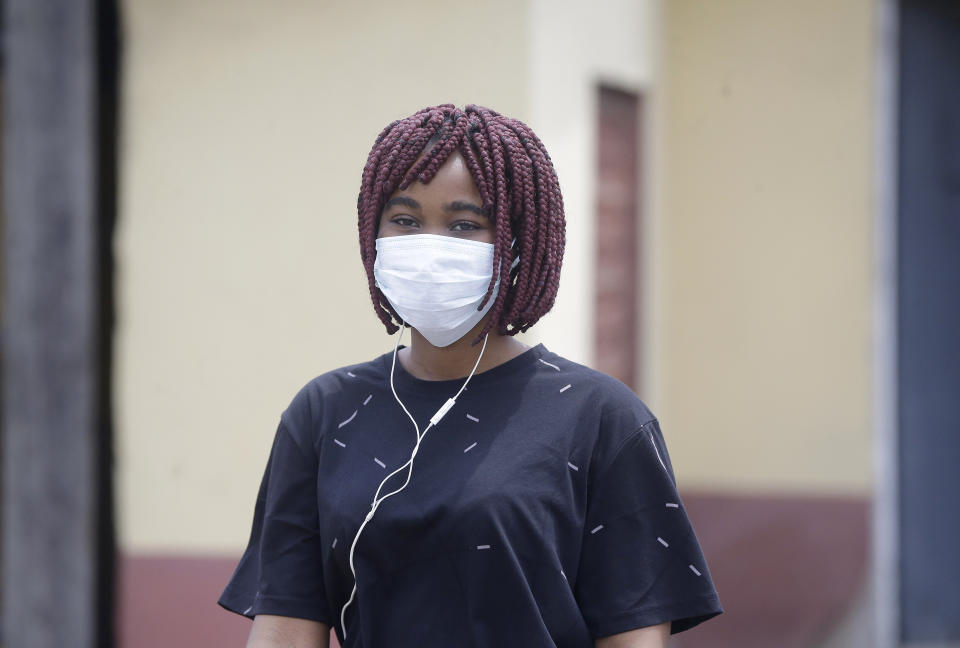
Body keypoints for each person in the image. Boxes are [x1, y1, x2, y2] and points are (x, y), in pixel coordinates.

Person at [218, 104, 723, 648]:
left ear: (515, 244)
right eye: (406, 220)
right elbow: (285, 630)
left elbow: (633, 637)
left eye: (465, 224)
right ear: (373, 232)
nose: (430, 248)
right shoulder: (323, 411)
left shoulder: (602, 418)